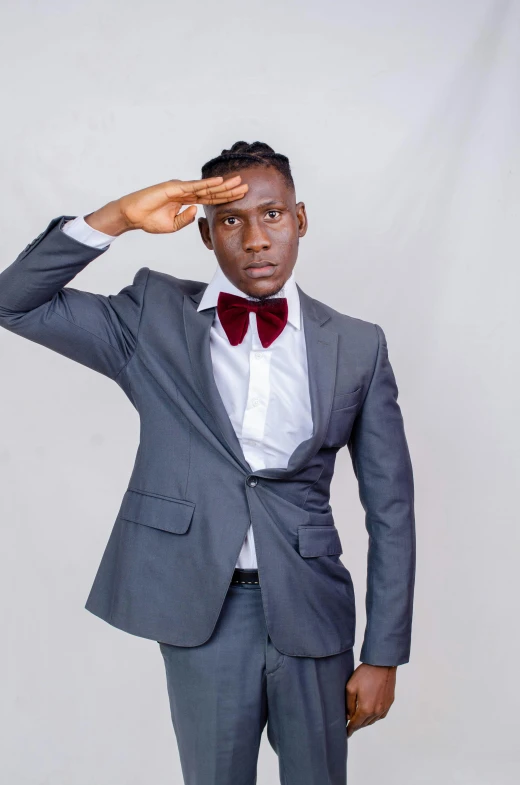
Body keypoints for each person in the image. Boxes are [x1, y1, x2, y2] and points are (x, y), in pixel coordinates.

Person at [0, 140, 416, 785]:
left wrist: (384, 653)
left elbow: (390, 509)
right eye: (231, 220)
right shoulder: (151, 318)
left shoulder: (357, 345)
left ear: (299, 220)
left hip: (311, 607)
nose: (255, 239)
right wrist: (118, 217)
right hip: (202, 607)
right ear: (204, 234)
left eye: (271, 216)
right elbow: (13, 301)